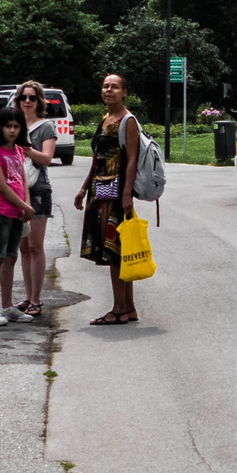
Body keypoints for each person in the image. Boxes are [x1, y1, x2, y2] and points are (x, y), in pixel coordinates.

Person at [76, 73, 143, 326]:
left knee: (115, 251)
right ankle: (128, 308)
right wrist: (83, 189)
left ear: (125, 92)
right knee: (117, 251)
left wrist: (127, 194)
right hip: (99, 192)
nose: (109, 90)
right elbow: (96, 158)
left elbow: (133, 159)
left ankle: (117, 309)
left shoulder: (128, 121)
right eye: (106, 86)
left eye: (115, 87)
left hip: (115, 195)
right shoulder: (105, 120)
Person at [0, 108, 35, 326]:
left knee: (12, 257)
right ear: (0, 128)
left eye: (16, 126)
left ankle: (7, 306)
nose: (12, 131)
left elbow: (23, 180)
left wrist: (26, 206)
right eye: (8, 126)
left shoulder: (18, 150)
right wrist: (24, 206)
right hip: (1, 211)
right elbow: (2, 187)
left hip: (18, 211)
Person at [13, 81, 57, 320]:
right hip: (16, 192)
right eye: (23, 97)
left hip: (38, 191)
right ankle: (28, 296)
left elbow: (48, 158)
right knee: (22, 247)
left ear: (39, 101)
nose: (27, 101)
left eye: (32, 97)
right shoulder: (14, 124)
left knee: (35, 245)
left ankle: (37, 300)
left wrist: (27, 149)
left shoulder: (45, 128)